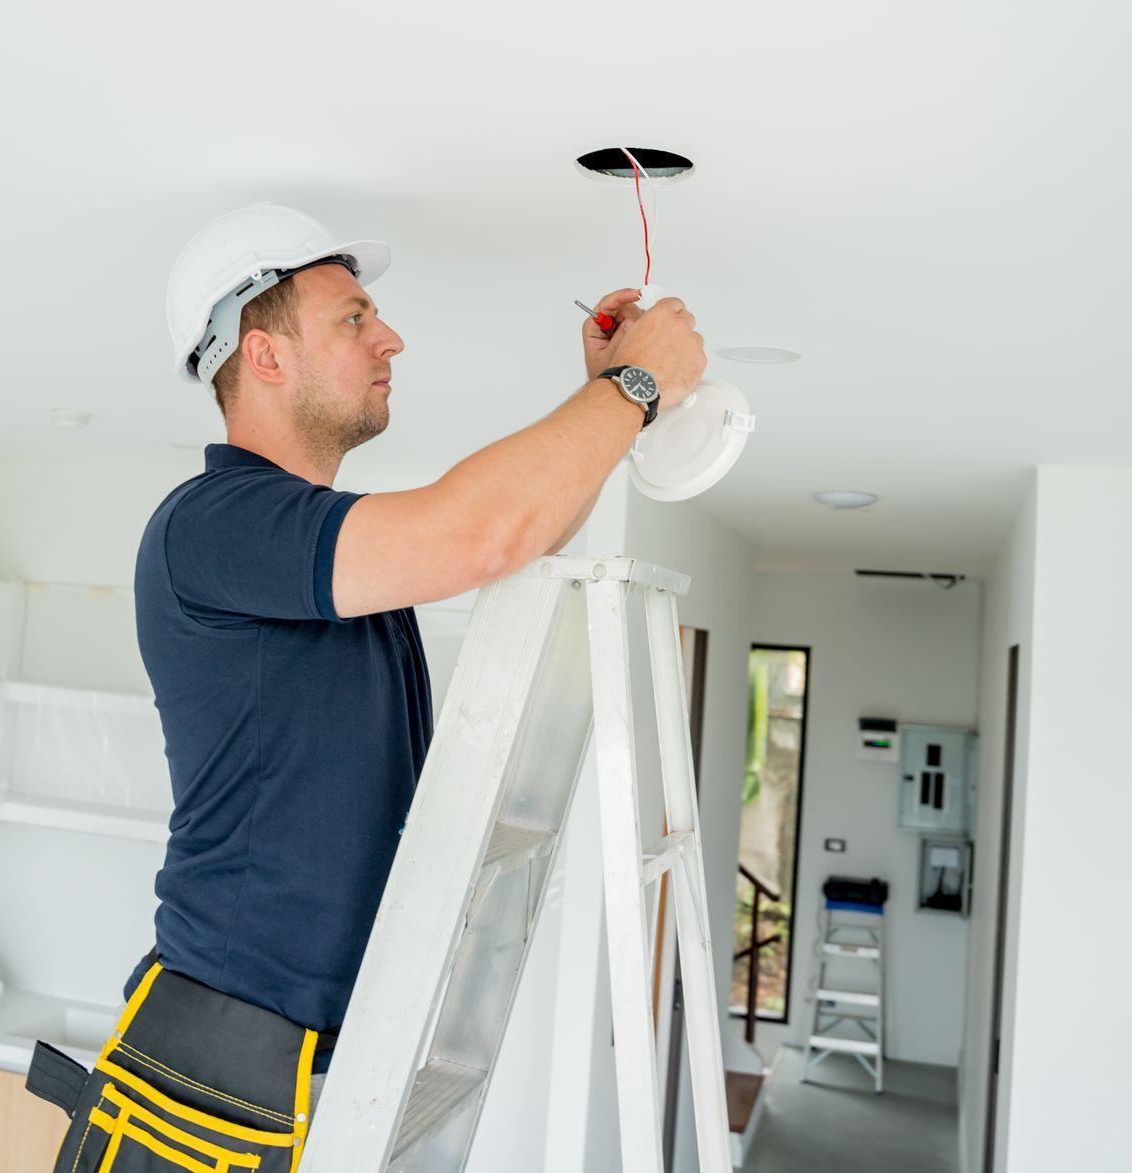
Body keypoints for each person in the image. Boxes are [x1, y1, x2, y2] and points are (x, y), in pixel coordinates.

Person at [37, 203, 706, 1170]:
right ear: (263, 356)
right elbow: (488, 532)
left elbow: (518, 532)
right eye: (354, 317)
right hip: (215, 1076)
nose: (390, 336)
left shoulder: (324, 547)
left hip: (305, 1060)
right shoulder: (213, 524)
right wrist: (637, 389)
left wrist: (603, 394)